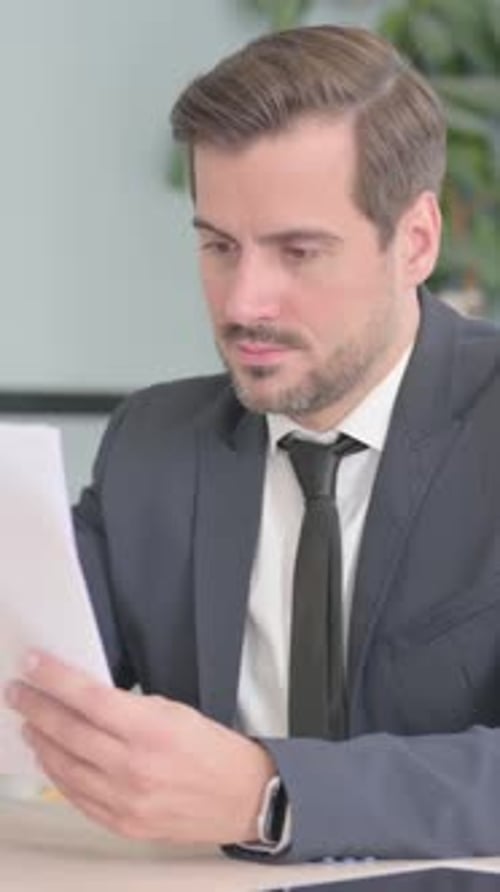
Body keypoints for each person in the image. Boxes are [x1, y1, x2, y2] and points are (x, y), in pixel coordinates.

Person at [6, 24, 500, 863]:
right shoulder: (153, 447)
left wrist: (268, 795)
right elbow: (39, 661)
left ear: (414, 242)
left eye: (298, 251)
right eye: (218, 246)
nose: (244, 303)